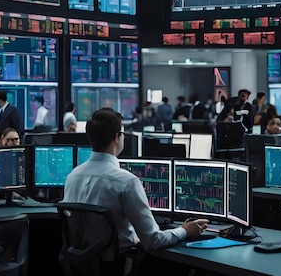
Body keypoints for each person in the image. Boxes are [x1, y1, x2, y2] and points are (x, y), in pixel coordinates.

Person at [62, 107, 209, 262]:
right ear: (117, 137)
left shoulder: (73, 176)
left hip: (81, 265)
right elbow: (153, 241)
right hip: (117, 266)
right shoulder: (127, 182)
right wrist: (184, 231)